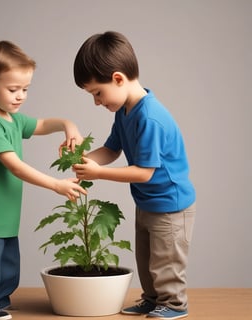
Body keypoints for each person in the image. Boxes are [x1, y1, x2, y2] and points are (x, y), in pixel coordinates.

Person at [0, 40, 86, 320]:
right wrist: (56, 184)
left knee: (8, 265)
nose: (20, 96)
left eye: (25, 89)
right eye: (13, 89)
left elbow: (40, 124)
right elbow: (14, 166)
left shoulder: (12, 119)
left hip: (4, 212)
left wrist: (68, 124)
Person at [72, 31, 196, 320]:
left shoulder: (149, 117)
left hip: (171, 205)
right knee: (146, 258)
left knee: (166, 261)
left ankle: (175, 304)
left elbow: (143, 172)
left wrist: (98, 173)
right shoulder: (125, 111)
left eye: (97, 93)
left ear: (117, 78)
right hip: (148, 201)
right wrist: (84, 159)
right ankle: (153, 300)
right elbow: (111, 149)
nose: (97, 102)